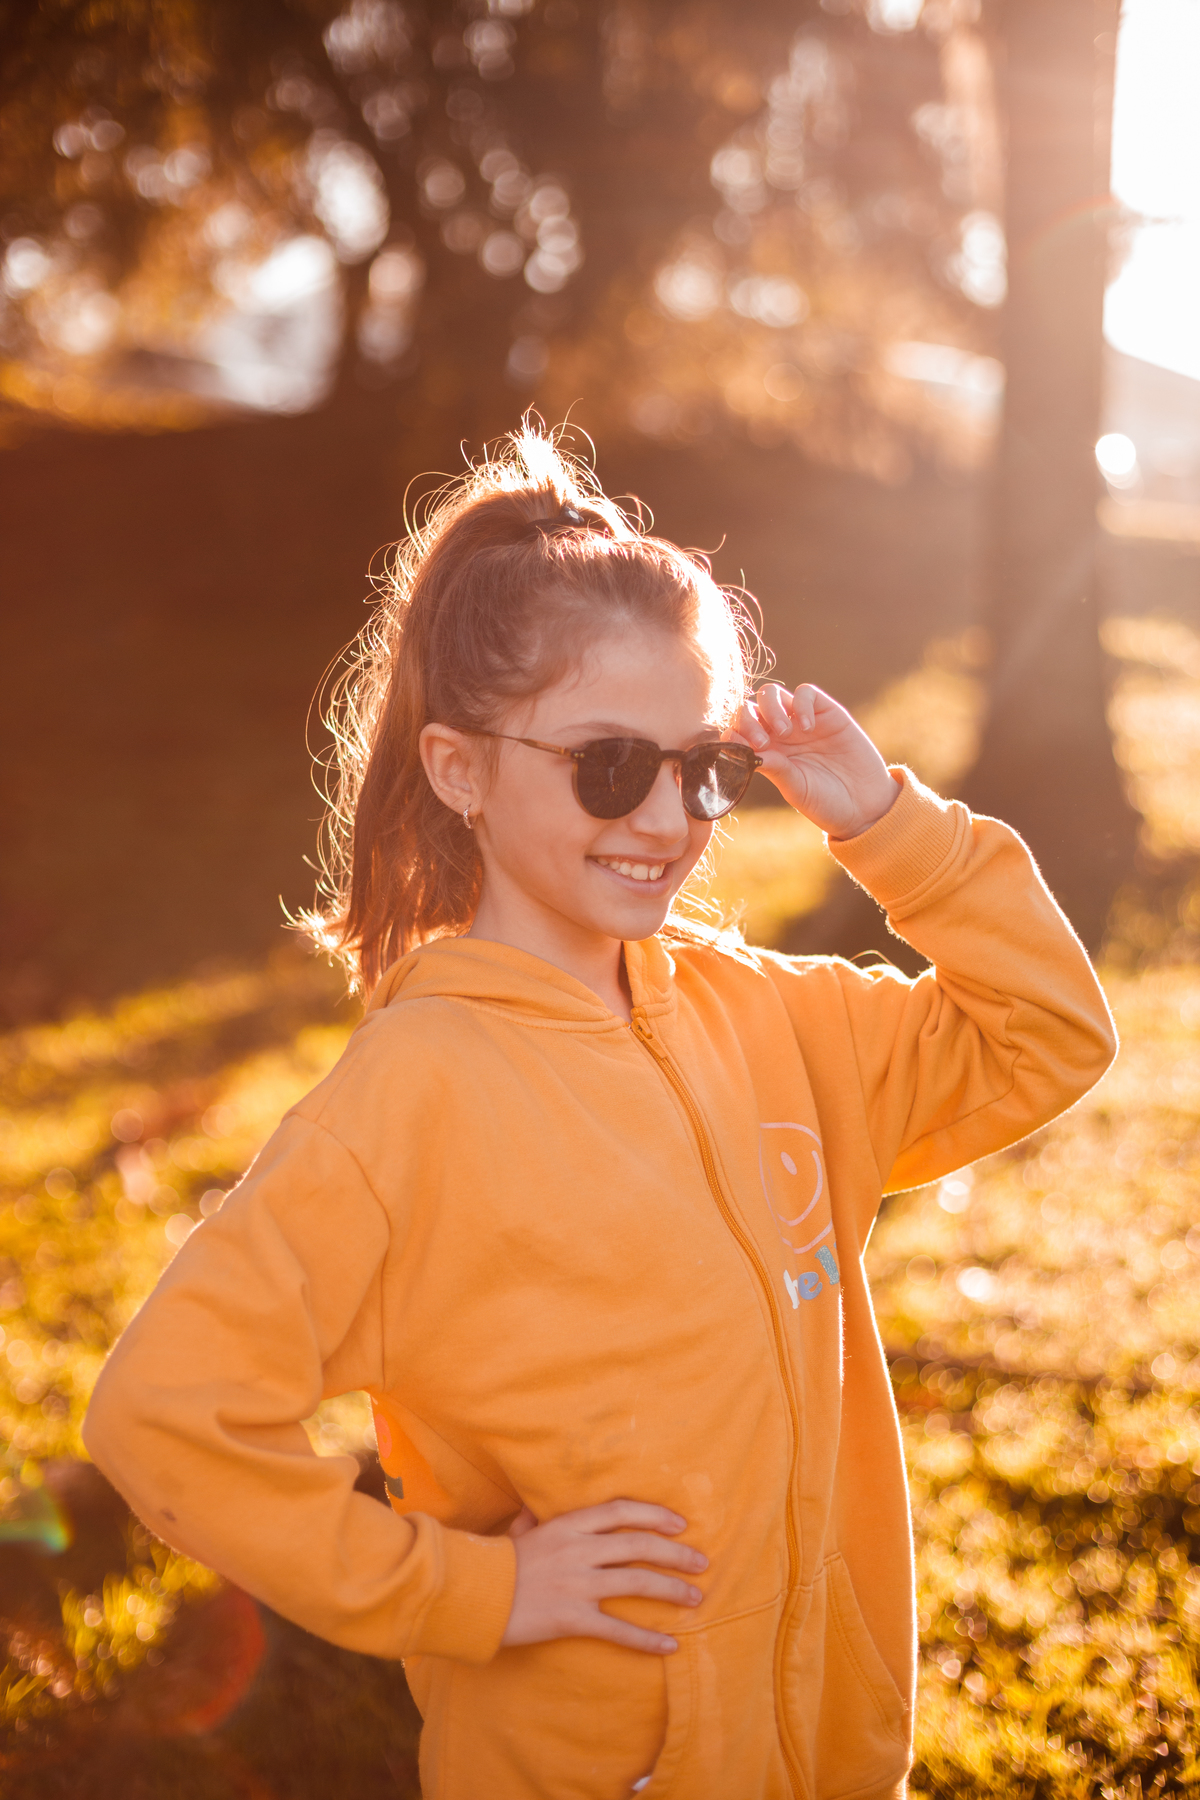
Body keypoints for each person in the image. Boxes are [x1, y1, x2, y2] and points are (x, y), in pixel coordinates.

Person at [84, 425, 1116, 1799]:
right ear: (460, 770)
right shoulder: (413, 1100)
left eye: (705, 767)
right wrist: (474, 1593)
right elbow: (165, 1417)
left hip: (823, 1750)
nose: (672, 818)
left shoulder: (772, 1019)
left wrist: (887, 826)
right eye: (609, 765)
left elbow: (1045, 1033)